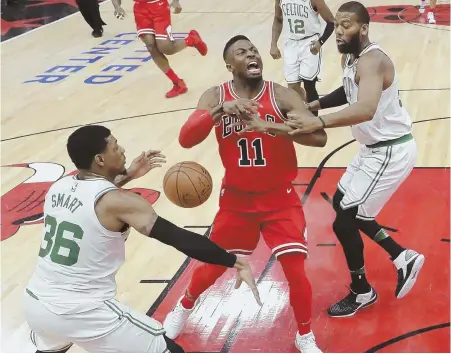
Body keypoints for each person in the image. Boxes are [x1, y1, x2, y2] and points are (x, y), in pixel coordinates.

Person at [23, 125, 261, 353]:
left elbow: (95, 198)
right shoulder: (121, 202)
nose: (123, 150)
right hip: (82, 310)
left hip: (36, 303)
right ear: (100, 159)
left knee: (52, 347)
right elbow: (178, 238)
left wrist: (129, 174)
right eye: (115, 147)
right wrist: (232, 261)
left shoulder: (59, 187)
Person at [162, 35, 327, 353]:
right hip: (237, 202)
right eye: (242, 52)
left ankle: (304, 335)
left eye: (254, 50)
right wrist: (220, 110)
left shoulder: (281, 95)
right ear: (229, 65)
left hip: (280, 199)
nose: (252, 54)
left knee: (295, 271)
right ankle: (183, 307)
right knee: (213, 265)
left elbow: (318, 137)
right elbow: (186, 139)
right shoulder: (215, 96)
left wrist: (273, 126)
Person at [285, 1, 425, 318]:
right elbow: (350, 91)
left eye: (346, 25)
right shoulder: (354, 58)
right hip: (372, 150)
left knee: (346, 218)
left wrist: (317, 122)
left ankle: (362, 291)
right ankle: (402, 257)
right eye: (337, 25)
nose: (339, 31)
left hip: (389, 152)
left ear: (363, 28)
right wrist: (317, 104)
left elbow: (365, 108)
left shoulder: (373, 60)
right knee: (341, 203)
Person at [111, 0, 208, 98]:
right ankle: (177, 83)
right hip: (140, 9)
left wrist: (176, 1)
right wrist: (117, 7)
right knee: (150, 45)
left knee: (166, 48)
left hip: (159, 6)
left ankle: (191, 40)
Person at [270, 0, 334, 113]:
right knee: (293, 87)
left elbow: (331, 22)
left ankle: (314, 121)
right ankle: (309, 106)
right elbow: (278, 19)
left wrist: (320, 42)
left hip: (309, 43)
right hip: (291, 44)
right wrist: (273, 44)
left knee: (309, 84)